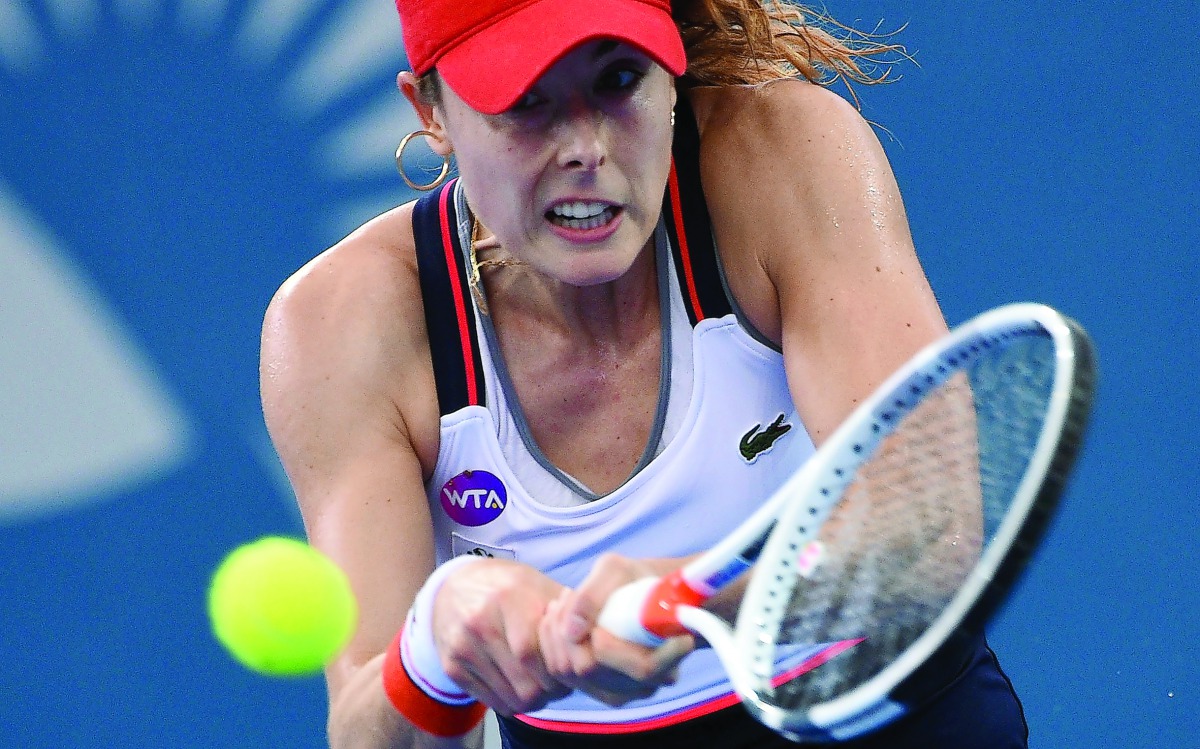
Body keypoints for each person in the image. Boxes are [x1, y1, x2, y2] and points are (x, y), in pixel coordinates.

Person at [259, 0, 1029, 747]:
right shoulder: (341, 321)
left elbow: (930, 535)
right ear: (430, 112)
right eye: (524, 102)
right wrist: (432, 649)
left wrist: (685, 596)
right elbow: (368, 728)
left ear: (671, 68)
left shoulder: (779, 155)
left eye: (619, 79)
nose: (585, 147)